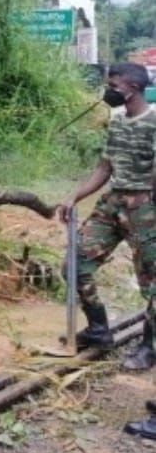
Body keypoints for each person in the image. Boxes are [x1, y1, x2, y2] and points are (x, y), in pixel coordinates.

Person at [58, 62, 156, 369]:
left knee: (153, 283)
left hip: (146, 207)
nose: (109, 92)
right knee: (75, 263)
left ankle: (148, 346)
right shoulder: (116, 121)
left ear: (133, 89)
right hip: (113, 204)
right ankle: (99, 328)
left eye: (114, 86)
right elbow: (105, 167)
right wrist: (75, 196)